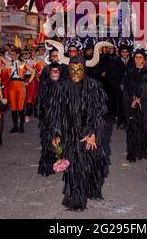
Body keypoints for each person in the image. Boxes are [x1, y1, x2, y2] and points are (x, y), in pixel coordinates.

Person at [59, 55, 108, 210]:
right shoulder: (63, 86)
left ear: (84, 69)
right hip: (69, 134)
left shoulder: (94, 86)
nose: (75, 72)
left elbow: (99, 112)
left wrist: (93, 133)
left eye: (79, 69)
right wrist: (56, 133)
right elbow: (57, 112)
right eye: (72, 69)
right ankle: (76, 199)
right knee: (74, 166)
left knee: (89, 164)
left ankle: (89, 189)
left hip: (88, 131)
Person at [122, 49, 147, 162]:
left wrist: (141, 99)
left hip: (144, 104)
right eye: (136, 57)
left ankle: (143, 151)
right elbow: (125, 88)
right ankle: (132, 152)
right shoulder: (129, 72)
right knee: (132, 128)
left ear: (144, 60)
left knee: (144, 127)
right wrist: (131, 100)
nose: (138, 60)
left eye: (140, 57)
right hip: (131, 103)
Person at [38, 62, 63, 176]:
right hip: (48, 118)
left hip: (62, 117)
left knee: (61, 140)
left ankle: (61, 162)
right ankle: (48, 165)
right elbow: (40, 103)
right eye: (53, 70)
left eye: (57, 70)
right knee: (48, 141)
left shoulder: (64, 85)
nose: (55, 72)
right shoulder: (44, 85)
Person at [6, 48, 35, 133]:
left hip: (20, 86)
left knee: (21, 107)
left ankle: (21, 127)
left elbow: (33, 71)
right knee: (13, 108)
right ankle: (15, 126)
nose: (12, 56)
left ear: (18, 55)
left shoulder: (23, 63)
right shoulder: (8, 65)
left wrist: (28, 82)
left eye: (14, 54)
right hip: (11, 86)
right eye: (11, 54)